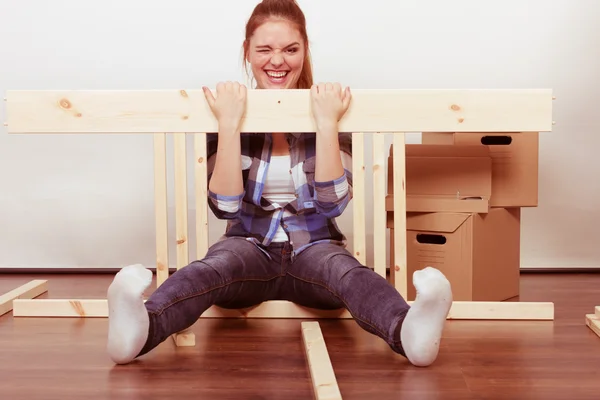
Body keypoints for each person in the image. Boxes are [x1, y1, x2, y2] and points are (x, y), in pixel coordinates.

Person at [106, 0, 452, 367]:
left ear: (305, 51)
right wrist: (228, 124)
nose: (277, 61)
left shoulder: (331, 110)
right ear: (247, 52)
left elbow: (332, 204)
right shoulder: (226, 112)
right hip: (247, 246)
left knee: (348, 273)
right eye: (265, 49)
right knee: (209, 270)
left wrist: (327, 124)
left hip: (315, 247)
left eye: (290, 49)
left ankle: (408, 333)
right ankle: (140, 330)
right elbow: (224, 206)